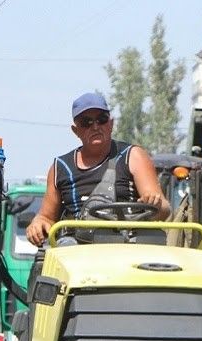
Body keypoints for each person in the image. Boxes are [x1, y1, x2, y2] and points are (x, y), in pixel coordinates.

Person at [26, 92, 170, 246]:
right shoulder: (60, 167)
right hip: (76, 248)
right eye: (86, 122)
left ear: (111, 124)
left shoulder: (134, 156)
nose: (95, 127)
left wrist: (154, 203)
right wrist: (37, 223)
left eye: (101, 120)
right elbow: (46, 217)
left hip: (127, 245)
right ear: (76, 131)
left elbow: (163, 209)